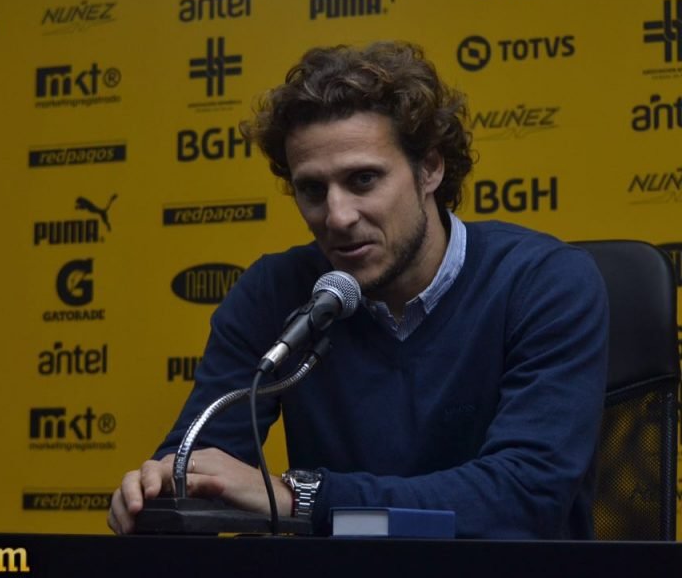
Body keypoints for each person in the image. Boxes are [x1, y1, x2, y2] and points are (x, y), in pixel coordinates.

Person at [107, 41, 608, 538]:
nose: (338, 216)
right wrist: (159, 488)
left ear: (430, 169)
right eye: (312, 190)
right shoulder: (275, 293)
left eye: (363, 179)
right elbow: (194, 468)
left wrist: (301, 498)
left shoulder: (543, 282)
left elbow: (523, 496)